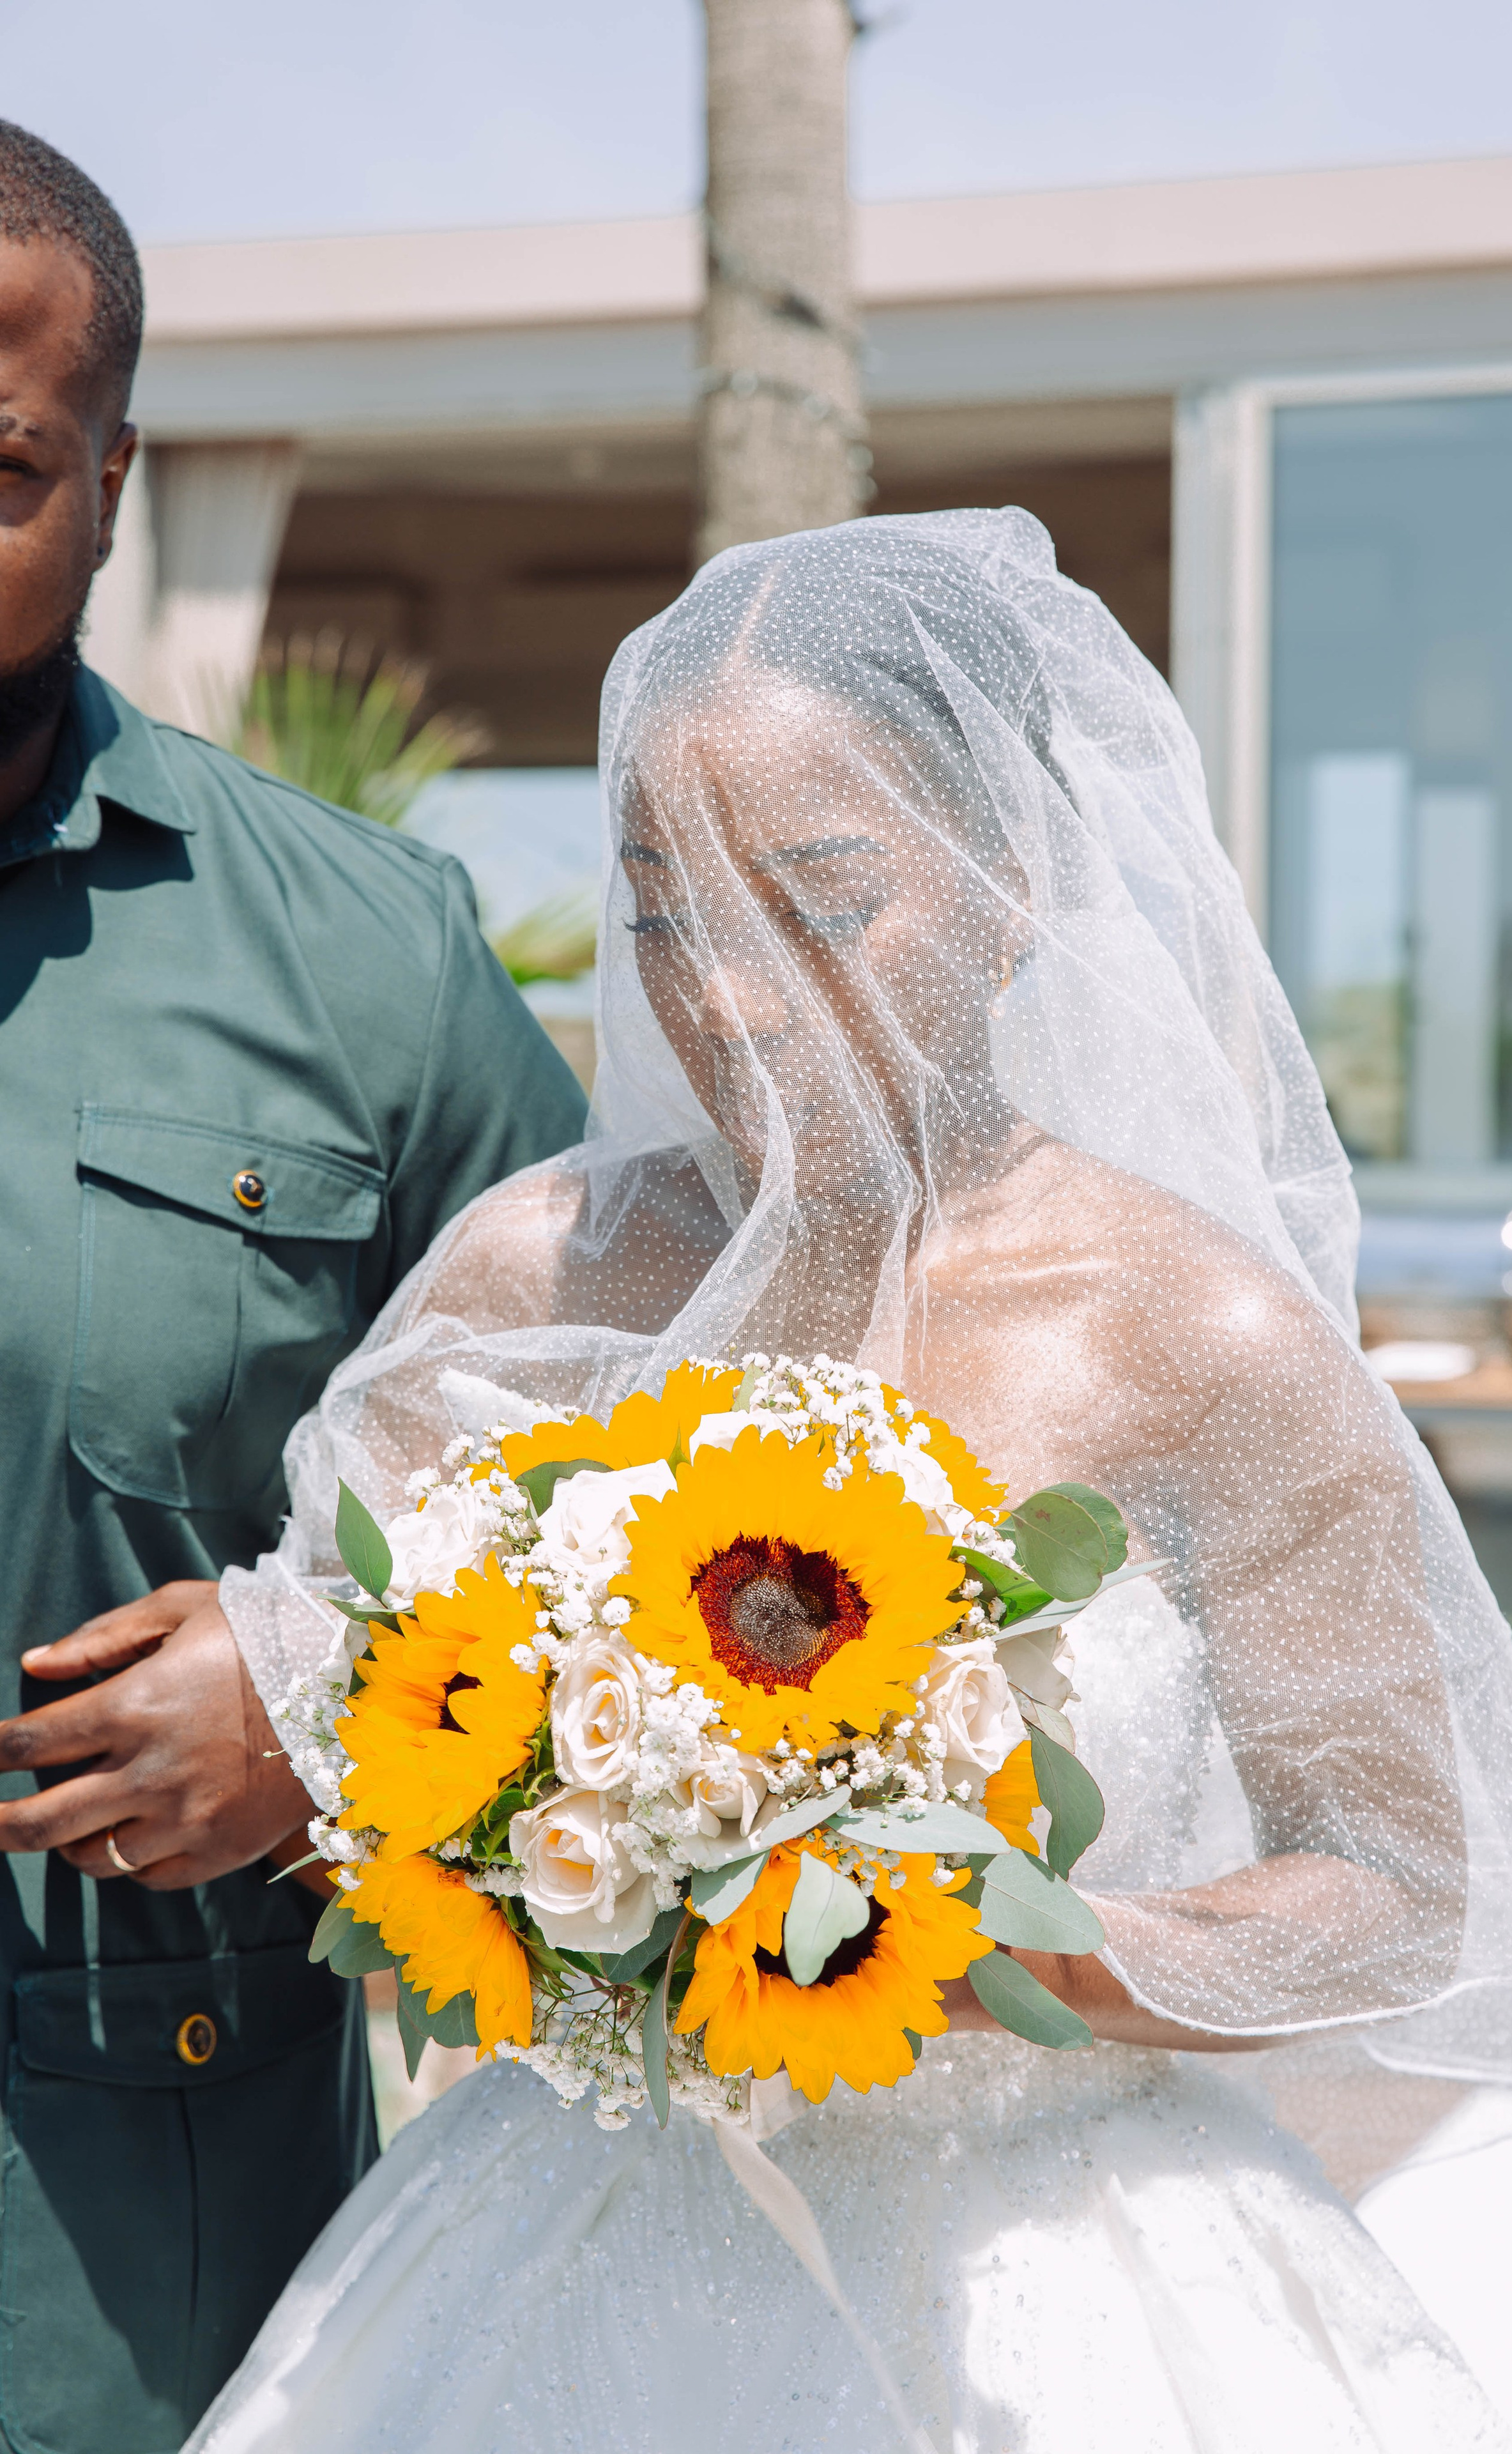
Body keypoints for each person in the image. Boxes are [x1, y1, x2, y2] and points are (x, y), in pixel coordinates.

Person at [190, 510, 1512, 2453]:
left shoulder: (1198, 1332)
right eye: (665, 910)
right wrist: (552, 1853)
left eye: (819, 900)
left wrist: (1018, 1951)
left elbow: (1399, 1883)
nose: (732, 997)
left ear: (1014, 875)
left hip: (1066, 2259)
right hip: (581, 2236)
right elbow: (358, 1740)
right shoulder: (539, 1274)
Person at [0, 121, 586, 2454]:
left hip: (146, 2252)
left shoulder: (367, 961)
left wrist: (337, 1699)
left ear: (116, 481)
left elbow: (667, 1473)